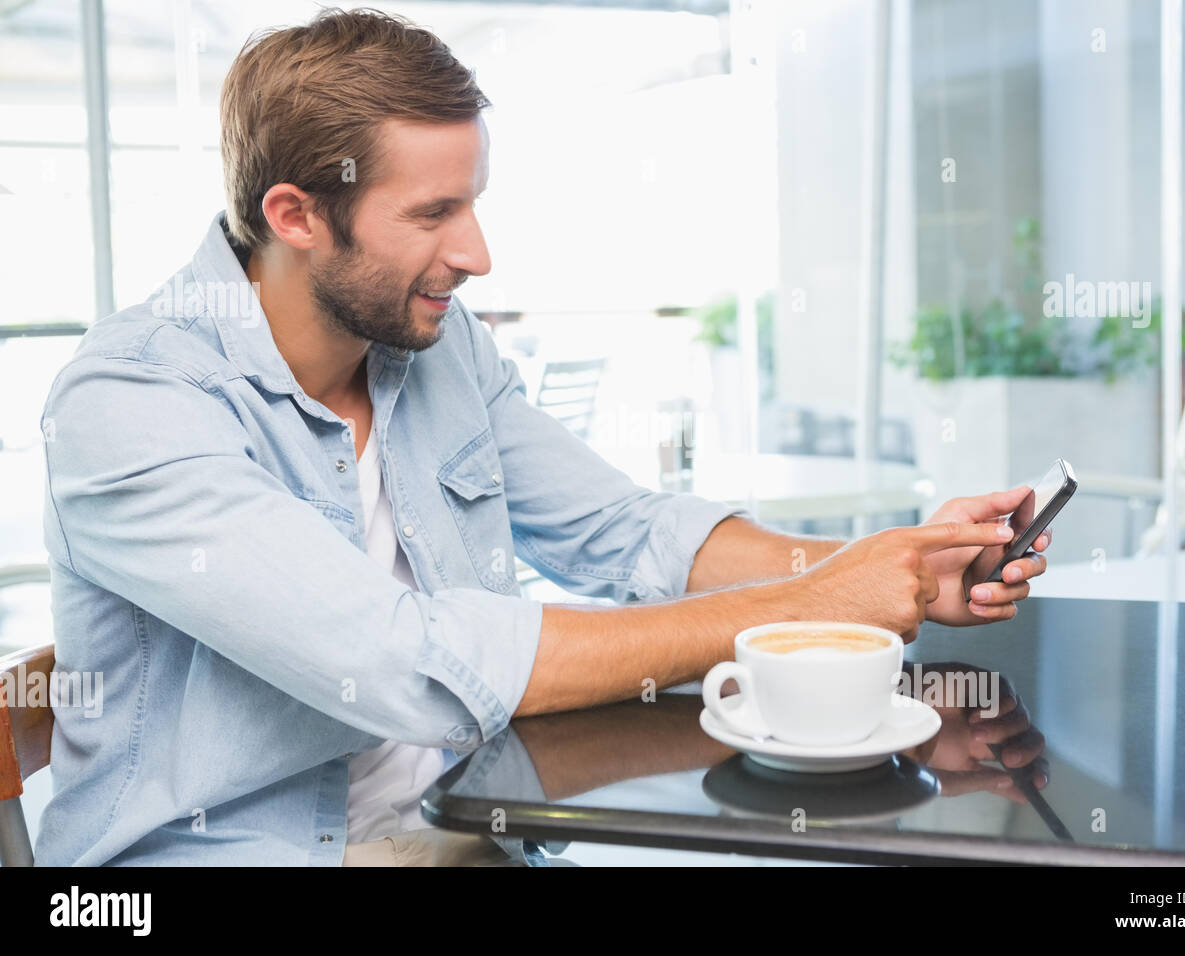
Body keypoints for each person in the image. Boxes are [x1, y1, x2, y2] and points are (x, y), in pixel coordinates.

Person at [35, 8, 1049, 867]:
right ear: (297, 215)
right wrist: (804, 603)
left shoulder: (436, 351)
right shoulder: (130, 402)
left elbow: (623, 529)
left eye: (471, 202)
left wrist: (889, 568)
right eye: (432, 212)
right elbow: (410, 662)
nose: (475, 252)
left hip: (473, 831)